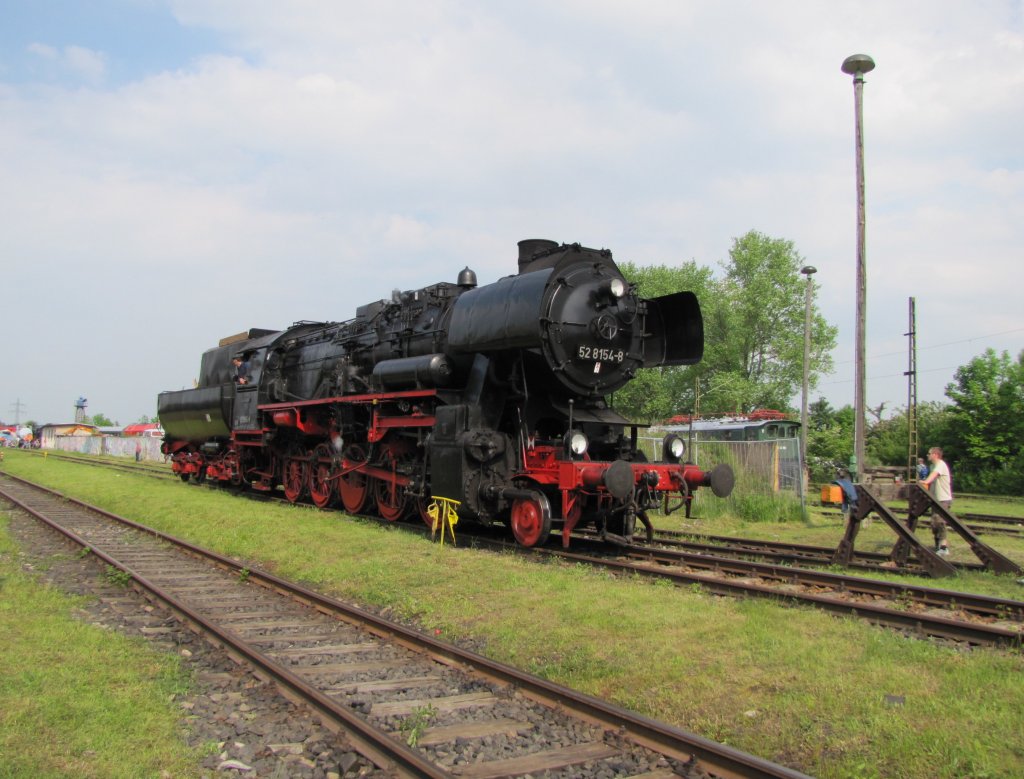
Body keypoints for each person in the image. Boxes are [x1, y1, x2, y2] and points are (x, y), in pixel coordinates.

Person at [920, 446, 953, 556]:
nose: (927, 455)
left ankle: (943, 547)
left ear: (935, 454)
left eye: (929, 453)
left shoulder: (940, 464)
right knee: (934, 524)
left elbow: (930, 479)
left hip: (943, 499)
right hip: (935, 499)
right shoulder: (932, 465)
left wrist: (922, 482)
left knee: (940, 522)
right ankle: (938, 546)